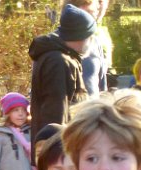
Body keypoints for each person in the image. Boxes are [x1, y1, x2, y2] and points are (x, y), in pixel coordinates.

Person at [28, 3, 93, 139]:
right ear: (79, 36)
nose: (91, 41)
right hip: (58, 145)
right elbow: (56, 115)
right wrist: (57, 148)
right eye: (89, 36)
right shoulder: (58, 62)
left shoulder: (59, 57)